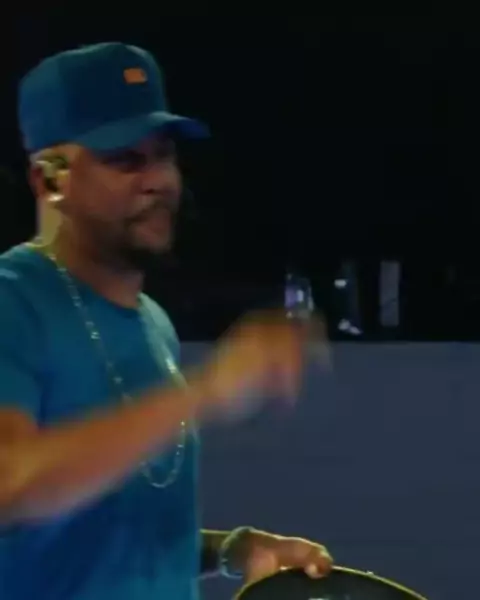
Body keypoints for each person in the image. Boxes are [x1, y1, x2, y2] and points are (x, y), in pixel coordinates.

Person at [0, 43, 332, 600]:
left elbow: (98, 537)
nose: (158, 180)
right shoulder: (13, 301)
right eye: (125, 160)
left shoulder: (153, 322)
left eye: (163, 155)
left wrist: (232, 551)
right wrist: (206, 390)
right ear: (49, 180)